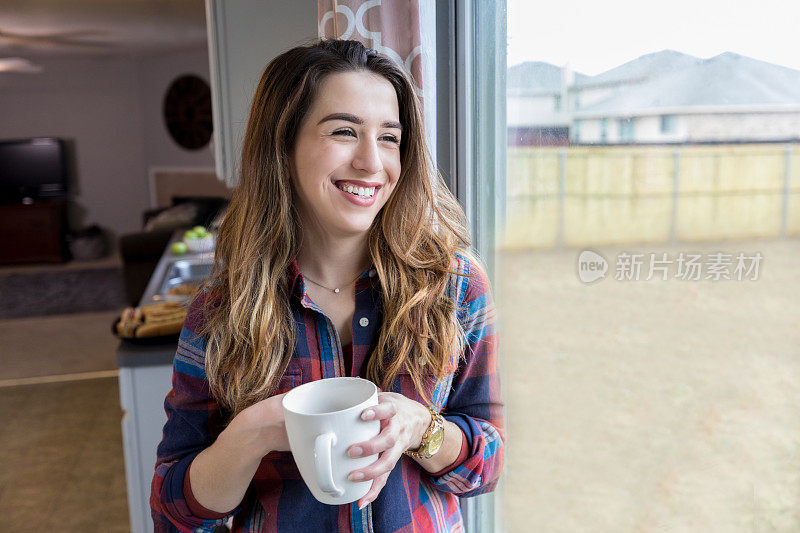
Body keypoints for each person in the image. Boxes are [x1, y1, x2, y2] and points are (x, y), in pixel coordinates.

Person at [150, 39, 504, 533]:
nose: (371, 163)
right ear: (284, 144)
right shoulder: (222, 310)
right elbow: (174, 510)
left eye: (388, 137)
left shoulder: (454, 284)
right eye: (344, 131)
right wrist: (249, 435)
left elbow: (488, 463)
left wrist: (422, 428)